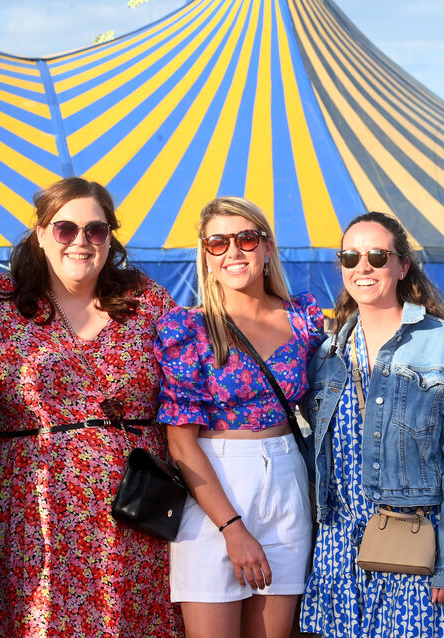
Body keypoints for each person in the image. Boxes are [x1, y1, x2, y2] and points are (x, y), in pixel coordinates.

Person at [0, 177, 183, 637]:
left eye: (95, 230)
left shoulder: (148, 303)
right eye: (65, 229)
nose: (81, 241)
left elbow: (195, 392)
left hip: (134, 516)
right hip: (31, 516)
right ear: (40, 234)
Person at [299, 211, 444, 637]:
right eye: (350, 257)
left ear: (402, 265)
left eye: (377, 255)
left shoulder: (441, 343)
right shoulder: (327, 354)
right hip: (339, 550)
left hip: (413, 544)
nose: (363, 266)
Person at [153, 197, 324, 638]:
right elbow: (181, 443)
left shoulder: (303, 317)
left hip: (286, 482)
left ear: (267, 249)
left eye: (247, 238)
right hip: (214, 485)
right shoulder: (187, 328)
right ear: (205, 255)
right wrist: (232, 528)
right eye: (218, 242)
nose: (233, 251)